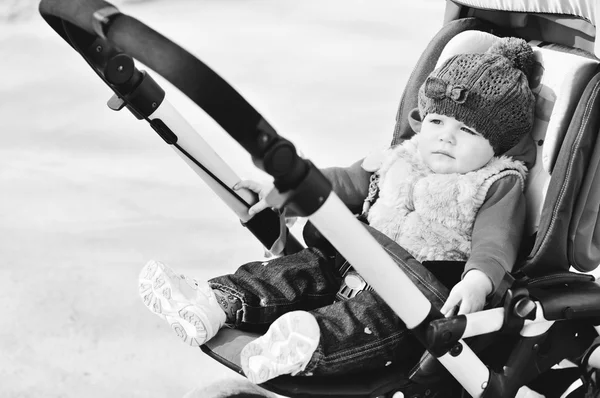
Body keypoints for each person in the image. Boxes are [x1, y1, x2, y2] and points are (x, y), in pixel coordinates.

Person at [138, 37, 537, 384]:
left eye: (466, 131)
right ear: (422, 120)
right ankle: (214, 302)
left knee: (366, 321)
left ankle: (305, 344)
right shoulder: (398, 156)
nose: (446, 137)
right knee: (298, 270)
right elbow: (339, 184)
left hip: (415, 294)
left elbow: (495, 243)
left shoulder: (495, 182)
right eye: (437, 120)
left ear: (496, 144)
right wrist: (284, 190)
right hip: (351, 261)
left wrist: (477, 283)